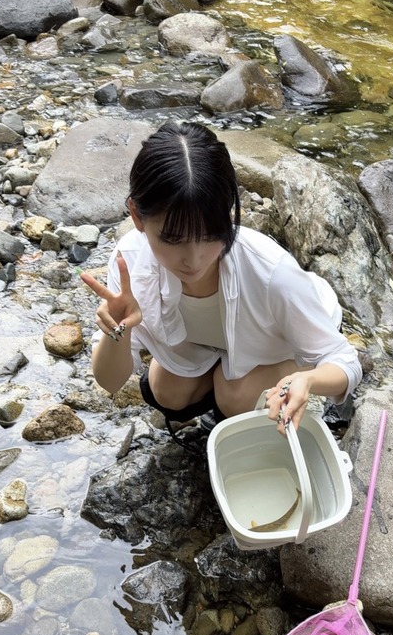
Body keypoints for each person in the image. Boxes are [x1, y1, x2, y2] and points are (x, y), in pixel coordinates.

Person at [81, 120, 362, 437]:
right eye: (173, 239)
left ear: (227, 211)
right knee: (167, 390)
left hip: (286, 340)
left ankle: (245, 388)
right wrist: (118, 332)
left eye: (210, 235)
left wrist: (307, 380)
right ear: (136, 216)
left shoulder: (271, 273)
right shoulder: (130, 264)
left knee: (235, 397)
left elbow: (345, 360)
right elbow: (109, 381)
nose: (194, 259)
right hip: (213, 344)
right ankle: (223, 381)